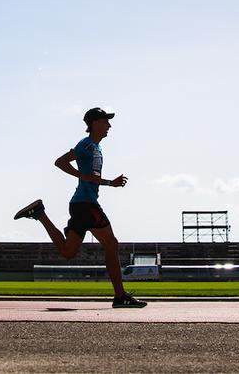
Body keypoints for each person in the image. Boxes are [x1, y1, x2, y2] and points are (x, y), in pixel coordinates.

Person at [14, 107, 147, 308]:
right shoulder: (86, 144)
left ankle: (40, 213)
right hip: (86, 204)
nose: (109, 125)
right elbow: (60, 162)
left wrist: (102, 181)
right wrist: (105, 181)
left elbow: (90, 176)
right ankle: (120, 296)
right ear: (94, 124)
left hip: (80, 204)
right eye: (105, 121)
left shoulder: (97, 147)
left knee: (68, 252)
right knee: (111, 244)